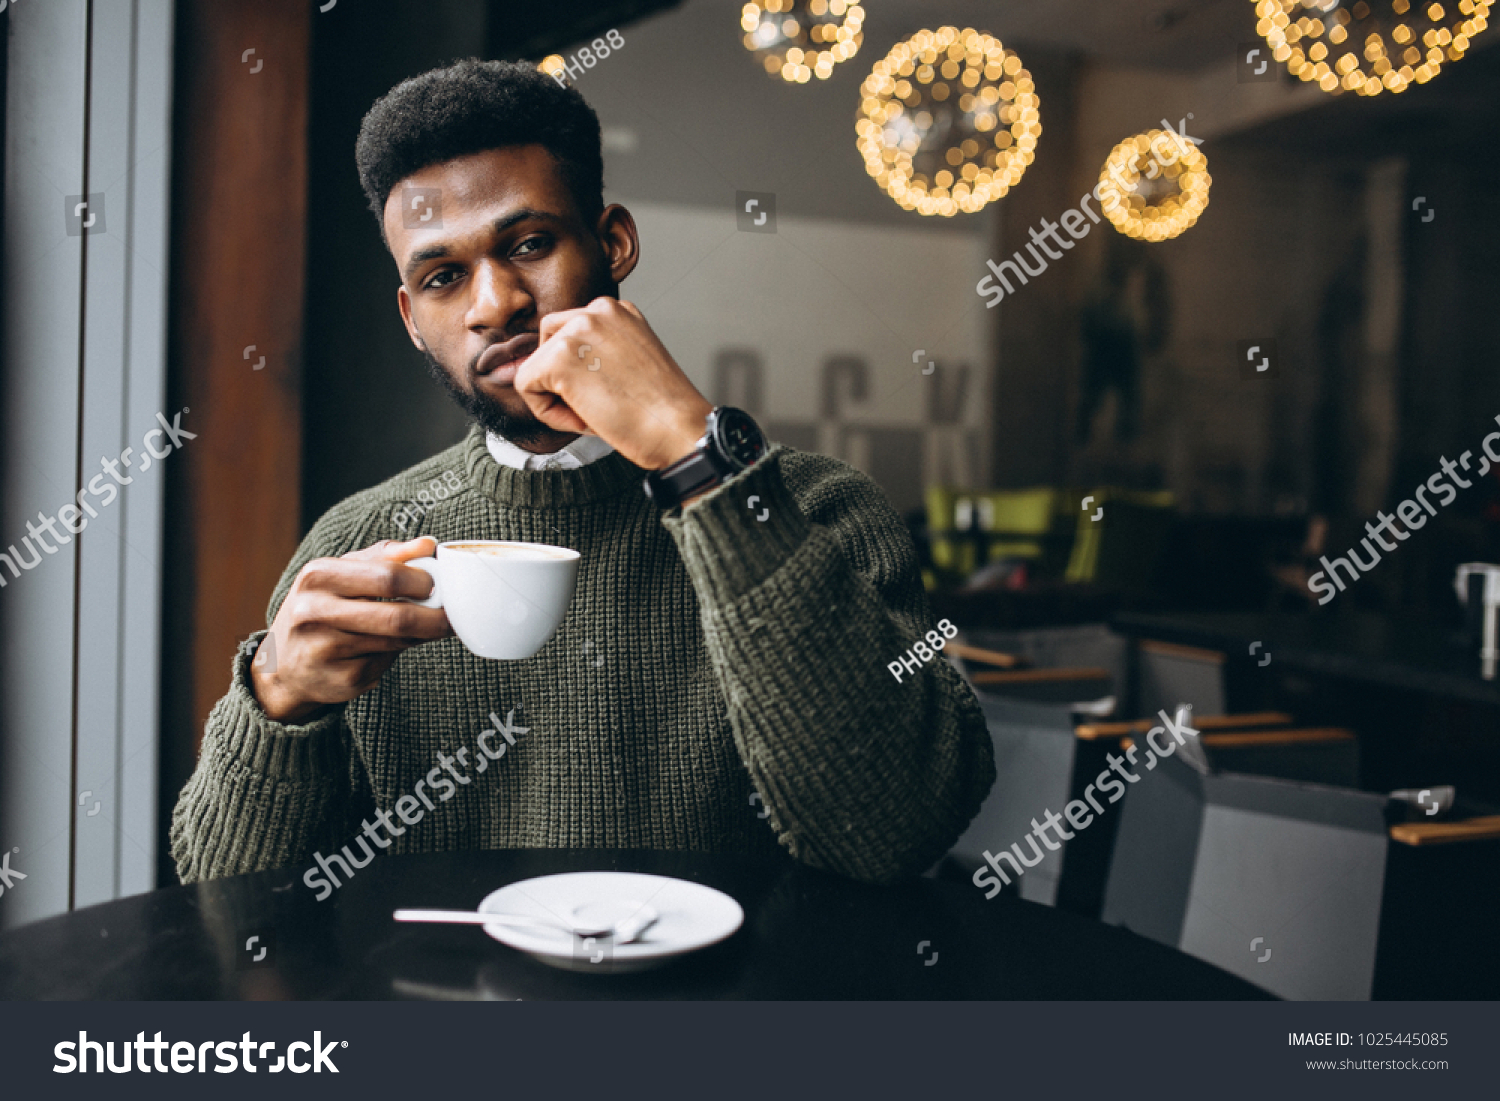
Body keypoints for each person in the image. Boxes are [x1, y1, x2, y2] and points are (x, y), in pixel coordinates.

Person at [171, 59, 994, 890]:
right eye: (442, 277)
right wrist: (277, 701)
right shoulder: (359, 548)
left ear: (614, 243)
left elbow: (900, 830)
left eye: (529, 244)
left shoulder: (816, 509)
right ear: (413, 321)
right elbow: (223, 907)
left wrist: (696, 454)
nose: (494, 303)